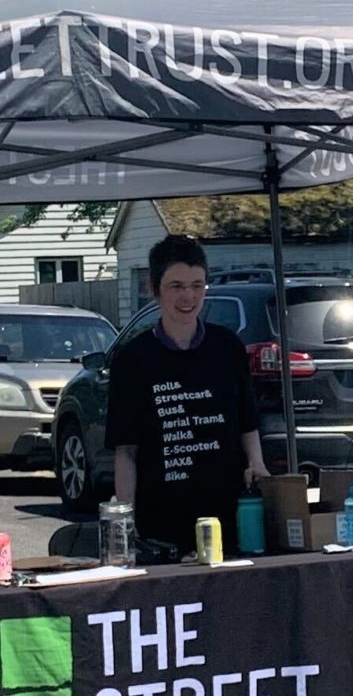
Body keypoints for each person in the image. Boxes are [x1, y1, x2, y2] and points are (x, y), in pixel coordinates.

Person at [105, 234, 271, 552]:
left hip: (227, 516)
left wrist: (257, 464)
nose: (188, 296)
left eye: (197, 285)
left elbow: (248, 421)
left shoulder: (227, 347)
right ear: (154, 290)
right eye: (177, 286)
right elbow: (125, 451)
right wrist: (127, 522)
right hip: (161, 523)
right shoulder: (132, 359)